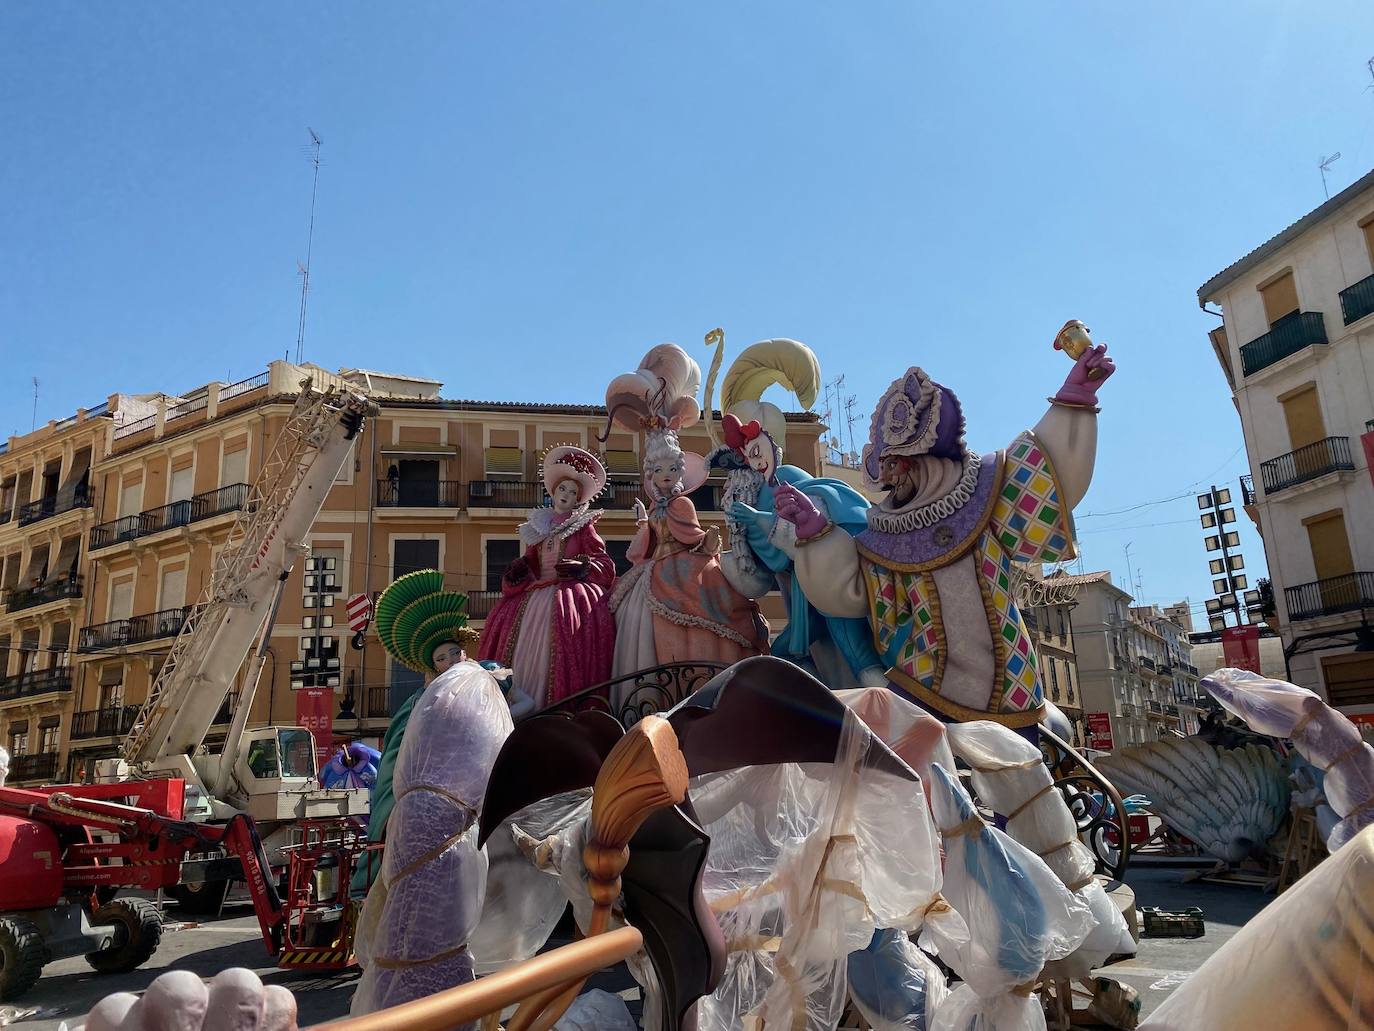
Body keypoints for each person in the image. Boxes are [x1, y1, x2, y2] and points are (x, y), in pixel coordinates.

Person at [774, 339, 1116, 734]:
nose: (888, 477)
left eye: (894, 464)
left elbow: (1044, 472)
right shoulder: (883, 536)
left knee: (1022, 779)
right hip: (919, 687)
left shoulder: (987, 492)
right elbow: (853, 593)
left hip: (1008, 689)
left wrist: (1074, 397)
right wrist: (816, 532)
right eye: (885, 465)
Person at [603, 344, 769, 680]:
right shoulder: (656, 507)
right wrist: (644, 526)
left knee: (705, 611)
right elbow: (645, 545)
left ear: (680, 471)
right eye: (658, 471)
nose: (665, 477)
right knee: (633, 619)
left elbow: (691, 536)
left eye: (670, 470)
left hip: (683, 570)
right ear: (650, 473)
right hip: (653, 571)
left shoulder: (682, 503)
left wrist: (707, 541)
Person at [351, 571, 495, 896]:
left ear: (464, 650)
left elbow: (515, 704)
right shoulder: (426, 696)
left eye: (453, 653)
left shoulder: (484, 673)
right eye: (440, 658)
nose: (449, 661)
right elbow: (402, 748)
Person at [478, 446, 617, 709]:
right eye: (563, 488)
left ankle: (555, 706)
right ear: (553, 491)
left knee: (562, 648)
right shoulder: (539, 527)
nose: (566, 494)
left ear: (578, 499)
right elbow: (531, 561)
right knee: (517, 644)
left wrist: (581, 565)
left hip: (568, 598)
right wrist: (520, 570)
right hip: (534, 594)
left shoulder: (583, 527)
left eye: (573, 492)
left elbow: (605, 564)